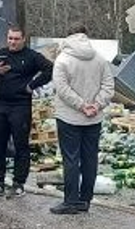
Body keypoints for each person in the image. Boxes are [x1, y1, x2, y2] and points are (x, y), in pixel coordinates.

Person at [0, 25, 52, 199]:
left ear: (23, 39)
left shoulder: (32, 56)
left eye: (16, 39)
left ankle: (18, 184)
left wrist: (32, 85)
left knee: (21, 146)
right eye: (10, 38)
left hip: (20, 105)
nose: (12, 42)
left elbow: (50, 69)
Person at [49, 24, 114, 215]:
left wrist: (81, 105)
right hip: (94, 118)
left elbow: (62, 88)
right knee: (90, 158)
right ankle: (85, 199)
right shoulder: (100, 58)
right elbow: (109, 86)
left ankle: (70, 200)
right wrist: (96, 105)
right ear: (86, 36)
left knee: (71, 159)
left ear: (68, 36)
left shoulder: (62, 59)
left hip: (69, 117)